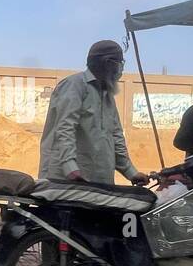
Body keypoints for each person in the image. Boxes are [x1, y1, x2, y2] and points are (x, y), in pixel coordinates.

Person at [39, 40, 148, 186]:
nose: (120, 68)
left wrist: (131, 172)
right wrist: (70, 167)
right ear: (108, 63)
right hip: (65, 179)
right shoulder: (74, 85)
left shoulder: (107, 94)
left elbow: (116, 135)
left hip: (98, 179)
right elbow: (65, 128)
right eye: (119, 63)